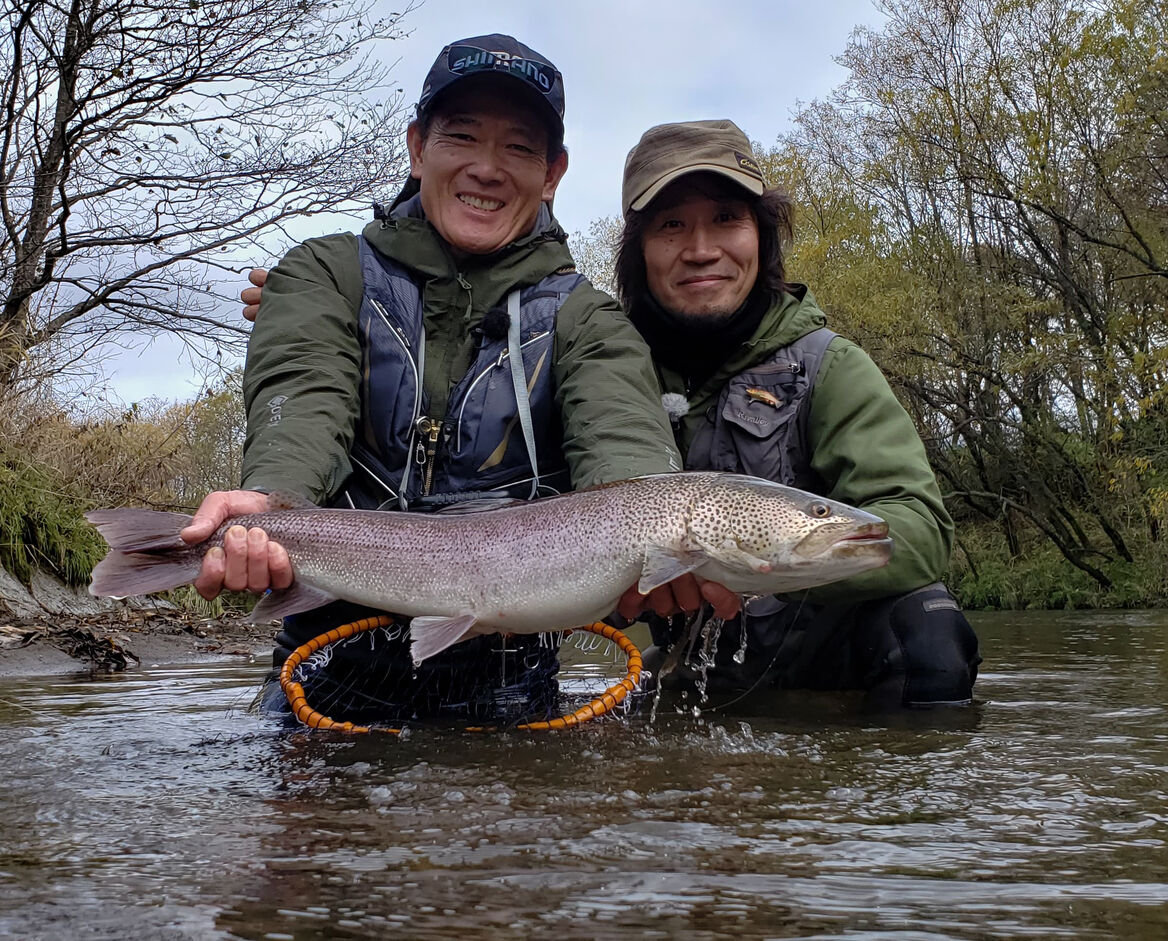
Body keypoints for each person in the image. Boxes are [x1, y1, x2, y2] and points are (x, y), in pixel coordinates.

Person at [190, 36, 737, 723]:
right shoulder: (322, 274)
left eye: (518, 148)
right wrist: (271, 498)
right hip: (324, 670)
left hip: (513, 693)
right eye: (463, 136)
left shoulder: (590, 321)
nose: (487, 168)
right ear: (418, 147)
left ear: (553, 174)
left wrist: (664, 542)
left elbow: (628, 456)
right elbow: (303, 399)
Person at [610, 120, 981, 707]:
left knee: (928, 628)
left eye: (727, 219)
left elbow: (919, 527)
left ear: (761, 235)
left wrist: (758, 568)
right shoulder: (601, 374)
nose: (702, 249)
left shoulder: (832, 366)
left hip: (830, 654)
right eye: (672, 224)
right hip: (694, 658)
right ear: (640, 251)